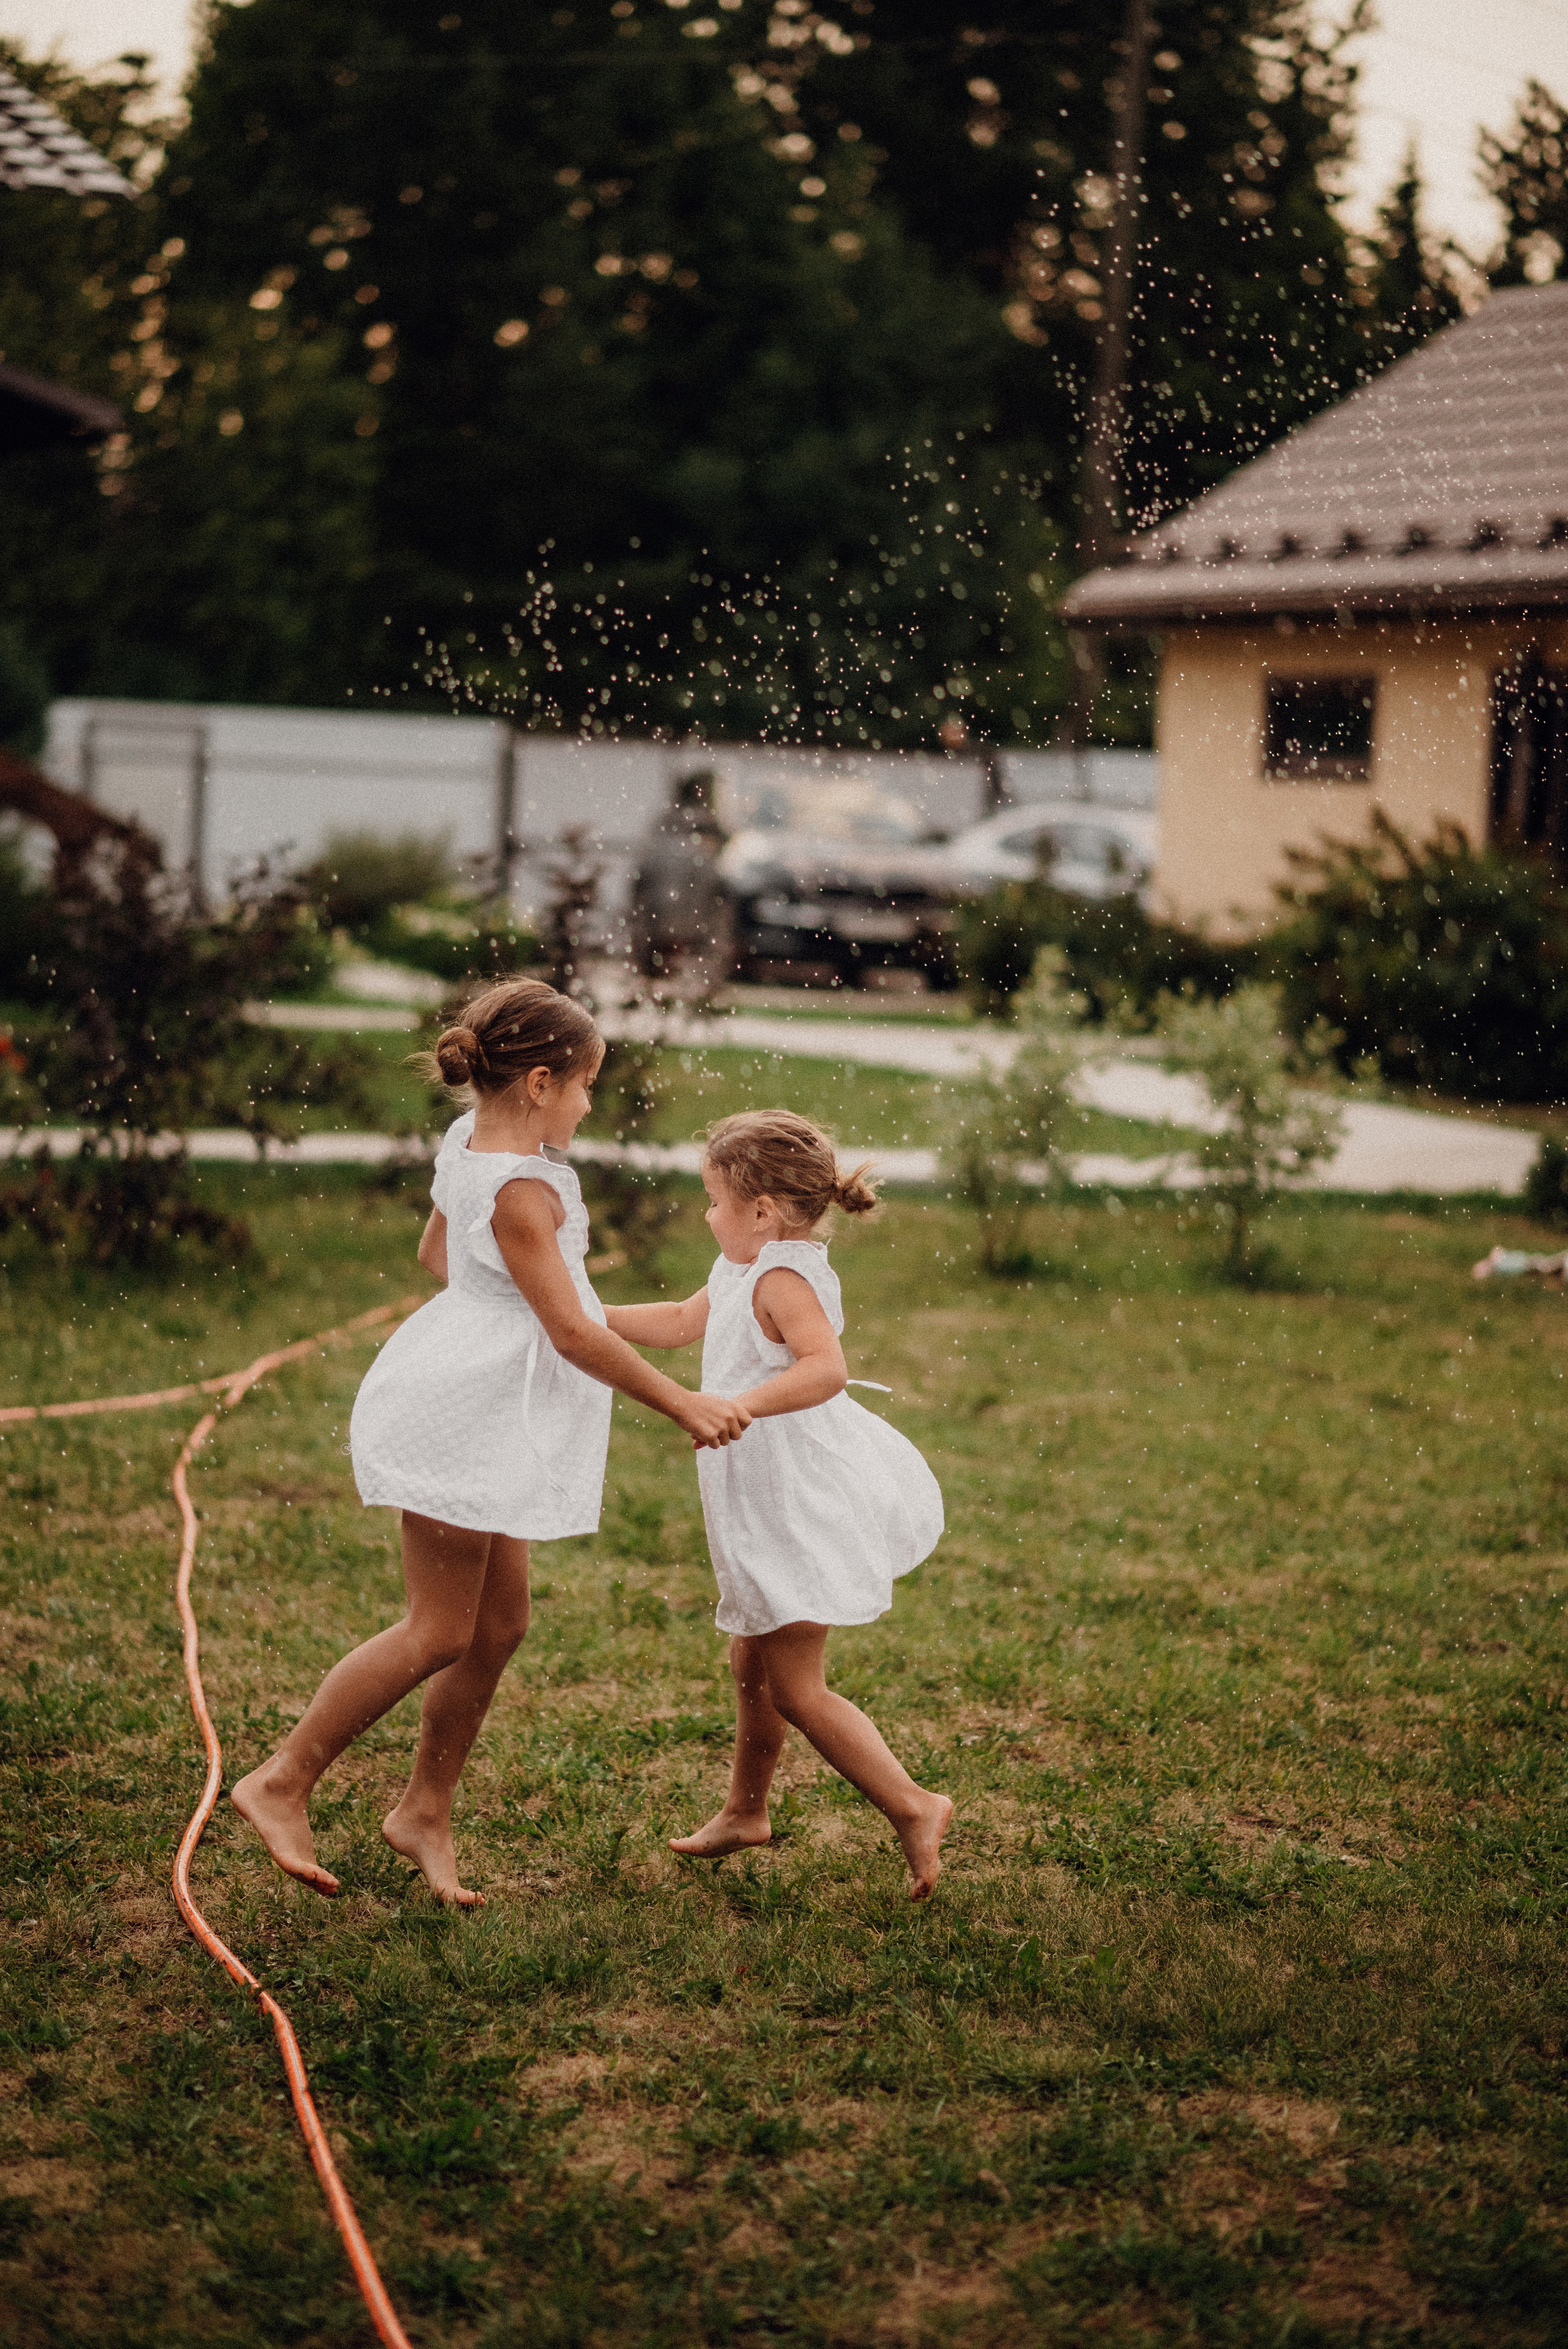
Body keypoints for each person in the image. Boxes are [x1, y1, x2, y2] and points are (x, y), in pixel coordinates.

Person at [231, 979, 749, 1907]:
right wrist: (684, 1404)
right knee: (438, 1628)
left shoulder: (470, 1141)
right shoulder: (524, 1186)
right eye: (589, 1084)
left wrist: (495, 1302)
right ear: (543, 1082)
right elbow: (574, 1333)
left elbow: (440, 1255)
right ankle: (280, 1779)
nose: (593, 1103)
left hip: (478, 1399)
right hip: (460, 1413)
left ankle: (423, 1810)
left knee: (498, 1625)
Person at [604, 1110, 951, 1899]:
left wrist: (745, 1404)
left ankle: (913, 1805)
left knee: (796, 1685)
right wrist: (585, 1316)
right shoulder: (741, 1266)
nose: (706, 1214)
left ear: (762, 1210)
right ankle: (746, 1811)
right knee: (751, 1657)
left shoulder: (783, 1275)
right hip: (758, 1490)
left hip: (796, 1495)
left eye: (715, 1200)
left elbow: (826, 1369)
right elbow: (682, 1321)